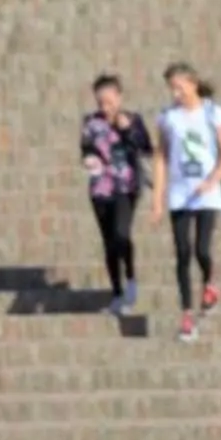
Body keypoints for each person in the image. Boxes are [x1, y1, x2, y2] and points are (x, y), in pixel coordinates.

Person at [157, 63, 221, 341]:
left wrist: (212, 180)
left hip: (207, 192)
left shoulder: (213, 112)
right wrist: (158, 197)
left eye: (180, 87)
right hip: (180, 191)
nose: (176, 93)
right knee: (182, 252)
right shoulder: (168, 117)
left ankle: (210, 282)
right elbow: (162, 156)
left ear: (193, 83)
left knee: (202, 248)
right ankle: (187, 315)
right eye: (172, 88)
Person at [79, 74, 155, 315]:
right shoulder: (90, 122)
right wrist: (89, 159)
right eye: (101, 102)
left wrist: (128, 130)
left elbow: (146, 148)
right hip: (100, 187)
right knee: (109, 242)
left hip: (127, 185)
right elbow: (86, 148)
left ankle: (131, 279)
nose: (105, 107)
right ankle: (117, 293)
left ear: (119, 97)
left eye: (109, 101)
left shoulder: (133, 119)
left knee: (122, 233)